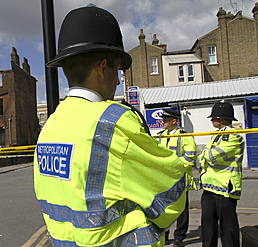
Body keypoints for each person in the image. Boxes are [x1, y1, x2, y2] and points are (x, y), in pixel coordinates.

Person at [34, 5, 187, 246]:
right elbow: (170, 195)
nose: (118, 80)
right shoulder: (112, 122)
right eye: (118, 69)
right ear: (102, 67)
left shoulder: (51, 125)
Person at [199, 100, 245, 247]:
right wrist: (206, 154)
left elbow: (211, 157)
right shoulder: (215, 136)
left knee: (228, 228)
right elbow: (201, 158)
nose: (212, 120)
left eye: (214, 118)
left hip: (225, 188)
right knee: (208, 228)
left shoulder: (234, 137)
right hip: (209, 187)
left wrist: (206, 154)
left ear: (222, 120)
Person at [157, 109, 197, 247]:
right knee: (165, 208)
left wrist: (174, 166)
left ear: (174, 121)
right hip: (164, 180)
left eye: (166, 120)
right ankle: (165, 234)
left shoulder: (185, 136)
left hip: (180, 178)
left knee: (181, 211)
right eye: (163, 120)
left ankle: (179, 237)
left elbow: (191, 156)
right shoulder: (160, 136)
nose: (163, 122)